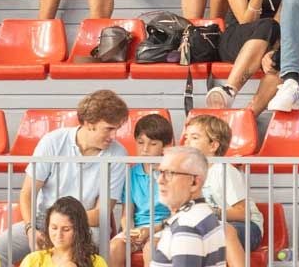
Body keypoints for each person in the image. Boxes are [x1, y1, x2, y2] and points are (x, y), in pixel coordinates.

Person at [0, 90, 129, 267]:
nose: (114, 136)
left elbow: (101, 213)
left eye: (117, 129)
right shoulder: (53, 141)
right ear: (89, 123)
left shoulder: (118, 154)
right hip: (43, 221)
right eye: (109, 129)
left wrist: (63, 225)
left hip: (85, 226)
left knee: (78, 257)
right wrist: (31, 229)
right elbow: (27, 193)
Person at [183, 115, 264, 267]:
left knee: (221, 231)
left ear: (213, 146)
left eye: (194, 138)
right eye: (186, 137)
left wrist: (212, 212)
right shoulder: (188, 173)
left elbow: (242, 213)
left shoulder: (224, 170)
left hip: (246, 227)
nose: (186, 142)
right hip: (211, 226)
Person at [108, 114, 173, 267]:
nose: (145, 149)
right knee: (114, 247)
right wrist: (129, 231)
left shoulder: (172, 173)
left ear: (165, 146)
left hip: (165, 228)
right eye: (140, 142)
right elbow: (127, 214)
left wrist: (150, 230)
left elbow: (176, 216)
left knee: (151, 248)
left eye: (153, 144)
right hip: (138, 230)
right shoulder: (131, 173)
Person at [149, 146, 226, 267]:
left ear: (194, 183)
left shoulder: (187, 226)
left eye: (169, 173)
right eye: (160, 172)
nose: (160, 180)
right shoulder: (203, 214)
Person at [21, 197, 108, 267]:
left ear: (79, 230)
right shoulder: (33, 260)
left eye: (66, 229)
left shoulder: (96, 262)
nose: (58, 235)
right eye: (54, 228)